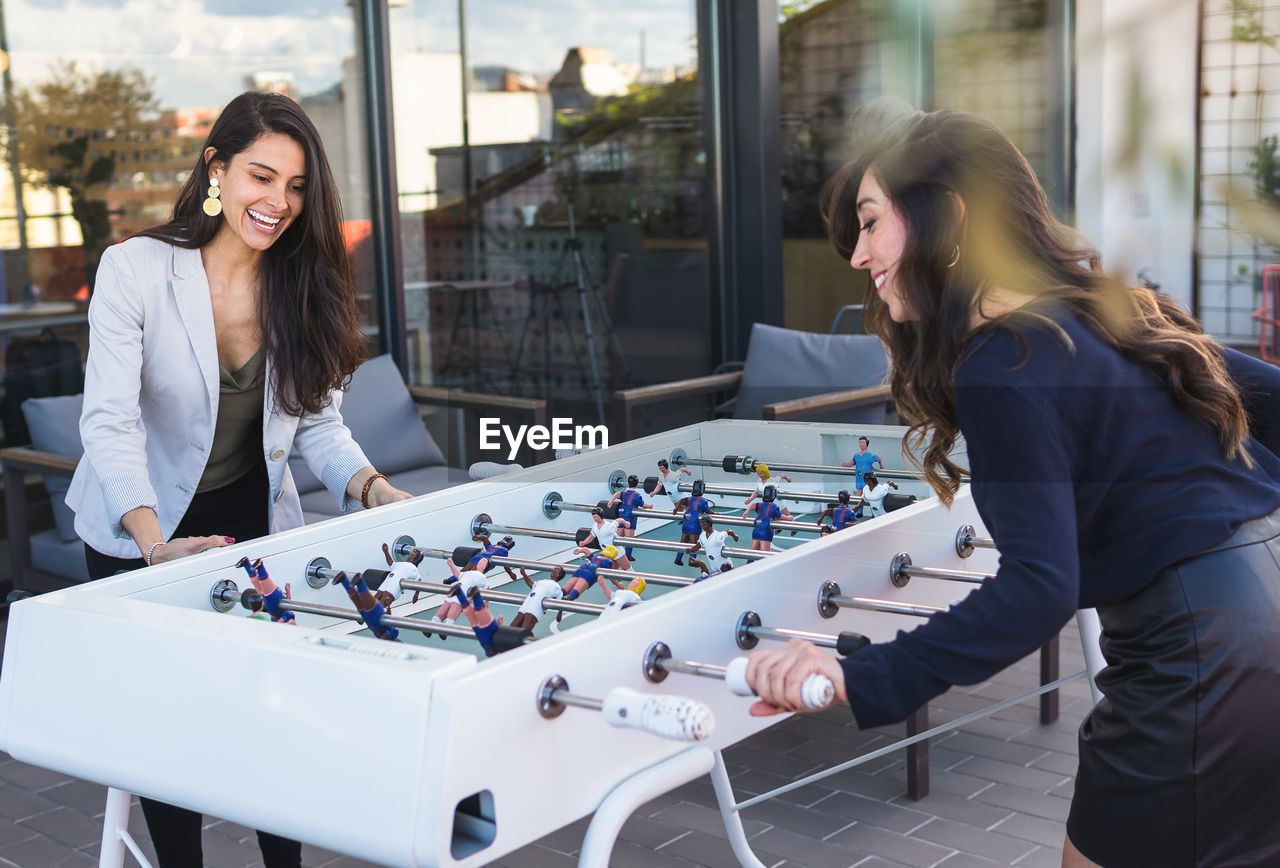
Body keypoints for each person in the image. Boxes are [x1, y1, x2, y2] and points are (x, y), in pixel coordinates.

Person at [743, 100, 1280, 867]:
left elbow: (1038, 589)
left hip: (1193, 652)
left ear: (950, 218)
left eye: (870, 222)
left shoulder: (1004, 364)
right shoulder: (1112, 309)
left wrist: (860, 675)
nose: (858, 257)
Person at [66, 91, 415, 868]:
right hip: (141, 529)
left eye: (295, 187)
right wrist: (154, 548)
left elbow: (318, 425)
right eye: (261, 177)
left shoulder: (301, 281)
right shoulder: (135, 268)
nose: (278, 203)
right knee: (170, 731)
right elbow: (110, 425)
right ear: (215, 168)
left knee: (268, 714)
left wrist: (372, 488)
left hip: (249, 524)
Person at [607, 474, 651, 560]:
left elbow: (616, 494)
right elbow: (643, 505)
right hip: (630, 518)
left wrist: (610, 502)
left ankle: (612, 554)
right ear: (637, 484)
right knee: (630, 540)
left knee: (618, 537)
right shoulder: (637, 495)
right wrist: (649, 506)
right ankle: (627, 555)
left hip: (621, 516)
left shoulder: (624, 493)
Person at [578, 507, 633, 574]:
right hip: (607, 551)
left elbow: (619, 520)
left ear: (601, 516)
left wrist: (626, 523)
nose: (595, 519)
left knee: (626, 568)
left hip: (616, 550)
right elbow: (591, 536)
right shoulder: (595, 526)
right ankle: (617, 579)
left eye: (596, 517)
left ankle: (636, 580)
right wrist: (584, 542)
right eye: (594, 517)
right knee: (613, 567)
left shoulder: (608, 526)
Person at [671, 479, 713, 565]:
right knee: (694, 544)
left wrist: (676, 508)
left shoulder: (689, 499)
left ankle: (678, 559)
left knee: (683, 543)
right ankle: (692, 561)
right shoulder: (703, 501)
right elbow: (708, 511)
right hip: (695, 524)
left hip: (686, 522)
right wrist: (716, 514)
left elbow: (682, 500)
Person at [742, 484, 793, 552]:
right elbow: (781, 516)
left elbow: (752, 505)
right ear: (774, 495)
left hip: (757, 528)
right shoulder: (774, 506)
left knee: (753, 551)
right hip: (766, 529)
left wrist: (747, 511)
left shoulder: (760, 505)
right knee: (764, 551)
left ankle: (750, 562)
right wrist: (789, 518)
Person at [841, 435, 883, 507]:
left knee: (870, 496)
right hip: (859, 478)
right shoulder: (856, 455)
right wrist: (845, 464)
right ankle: (859, 512)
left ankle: (873, 512)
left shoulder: (870, 455)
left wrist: (881, 466)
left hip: (867, 479)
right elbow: (853, 462)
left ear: (866, 444)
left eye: (863, 443)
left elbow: (878, 458)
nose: (861, 444)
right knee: (859, 497)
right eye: (860, 443)